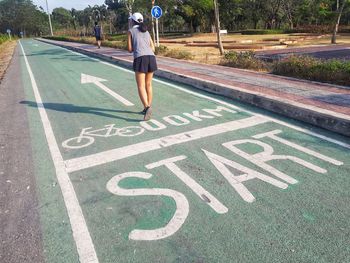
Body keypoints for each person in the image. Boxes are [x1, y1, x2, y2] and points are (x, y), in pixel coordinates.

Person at [127, 12, 157, 121]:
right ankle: (147, 107)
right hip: (151, 58)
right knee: (148, 84)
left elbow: (130, 49)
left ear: (132, 21)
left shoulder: (130, 31)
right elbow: (153, 48)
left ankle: (147, 107)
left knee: (140, 85)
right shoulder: (147, 31)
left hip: (140, 58)